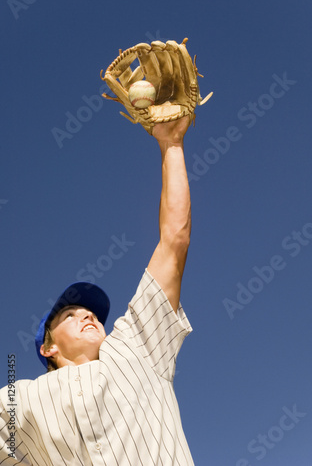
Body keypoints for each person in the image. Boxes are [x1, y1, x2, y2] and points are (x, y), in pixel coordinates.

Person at [0, 116, 195, 465]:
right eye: (69, 314)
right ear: (49, 346)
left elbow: (173, 243)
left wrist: (172, 145)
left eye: (89, 312)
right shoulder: (20, 399)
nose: (87, 314)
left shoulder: (136, 347)